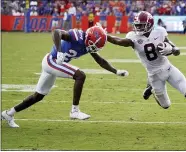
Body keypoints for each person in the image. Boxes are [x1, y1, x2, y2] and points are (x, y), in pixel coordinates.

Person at [105, 11, 186, 129]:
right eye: (137, 24)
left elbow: (176, 50)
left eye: (141, 24)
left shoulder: (159, 32)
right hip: (154, 75)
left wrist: (172, 50)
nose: (138, 27)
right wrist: (106, 36)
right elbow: (118, 41)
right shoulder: (133, 37)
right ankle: (150, 88)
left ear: (149, 24)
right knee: (166, 105)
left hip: (169, 68)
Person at [1, 25, 129, 128]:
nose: (94, 48)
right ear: (89, 38)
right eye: (94, 45)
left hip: (52, 63)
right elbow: (56, 32)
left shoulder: (87, 44)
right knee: (80, 76)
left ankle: (9, 113)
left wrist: (115, 71)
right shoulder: (77, 36)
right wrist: (60, 50)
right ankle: (74, 111)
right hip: (52, 61)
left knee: (38, 96)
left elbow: (100, 61)